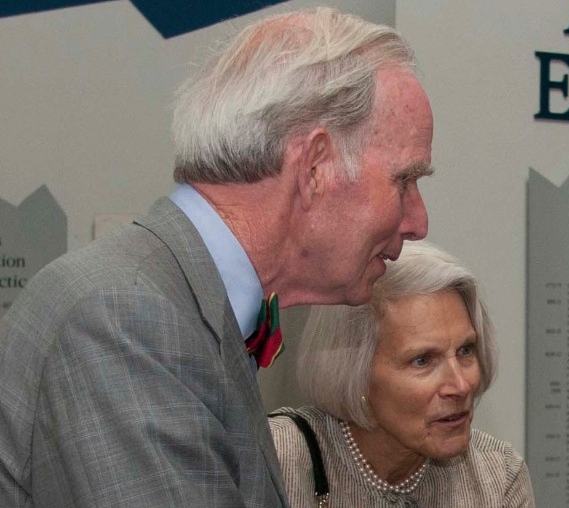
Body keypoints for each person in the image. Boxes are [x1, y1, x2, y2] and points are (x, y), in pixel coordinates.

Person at [0, 8, 431, 507]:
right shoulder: (127, 318)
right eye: (404, 181)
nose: (418, 221)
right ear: (315, 166)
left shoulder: (186, 309)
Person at [269, 241, 533, 507]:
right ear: (354, 372)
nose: (461, 385)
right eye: (422, 360)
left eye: (465, 350)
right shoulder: (275, 459)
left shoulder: (499, 477)